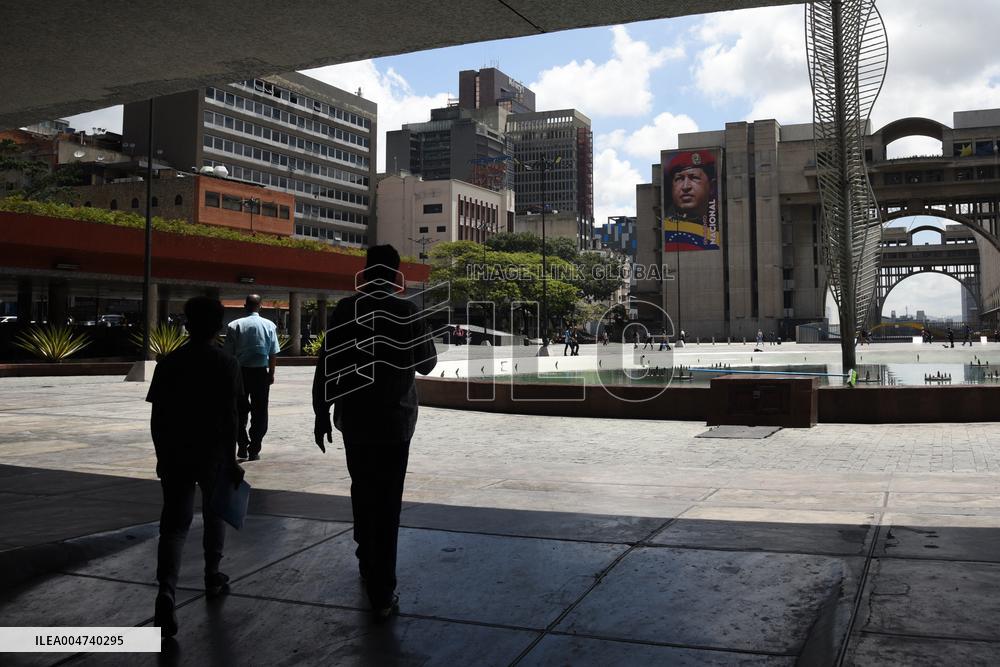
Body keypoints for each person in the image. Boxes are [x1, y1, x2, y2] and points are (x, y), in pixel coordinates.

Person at [312, 245, 437, 621]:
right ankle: (383, 588)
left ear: (366, 273)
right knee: (388, 501)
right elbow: (428, 364)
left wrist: (321, 411)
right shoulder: (407, 311)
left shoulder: (346, 310)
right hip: (396, 423)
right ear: (396, 275)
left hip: (355, 418)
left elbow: (326, 363)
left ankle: (366, 552)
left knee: (362, 486)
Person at [147, 296, 244, 638]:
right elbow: (232, 415)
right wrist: (232, 457)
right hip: (213, 452)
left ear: (187, 325)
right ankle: (212, 575)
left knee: (174, 524)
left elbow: (157, 418)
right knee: (213, 514)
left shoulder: (168, 363)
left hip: (176, 452)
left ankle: (167, 591)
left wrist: (161, 455)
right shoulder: (226, 363)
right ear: (219, 326)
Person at [224, 295, 279, 461]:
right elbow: (273, 352)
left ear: (245, 306)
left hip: (240, 373)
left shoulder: (234, 325)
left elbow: (229, 354)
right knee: (260, 411)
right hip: (260, 373)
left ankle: (241, 443)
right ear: (260, 306)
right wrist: (271, 373)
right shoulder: (270, 325)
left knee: (239, 410)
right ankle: (254, 447)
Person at [663, 150, 720, 251]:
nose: (685, 187)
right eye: (679, 179)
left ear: (711, 187)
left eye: (694, 178)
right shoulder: (666, 229)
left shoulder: (721, 224)